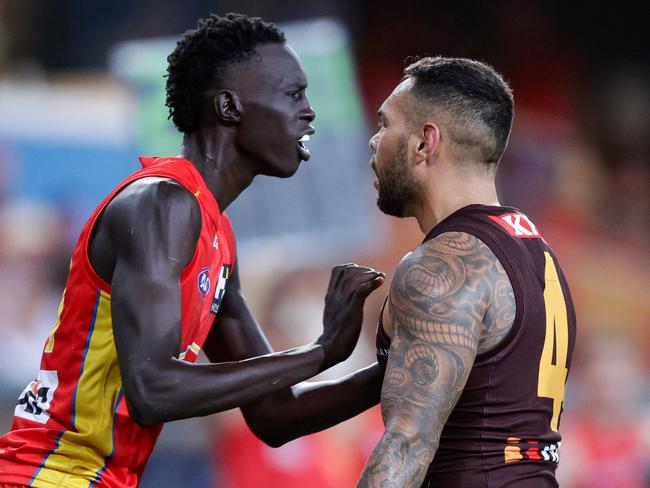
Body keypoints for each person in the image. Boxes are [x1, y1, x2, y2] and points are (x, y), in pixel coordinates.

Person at [0, 13, 385, 488]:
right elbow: (153, 388)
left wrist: (391, 370)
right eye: (292, 94)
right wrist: (319, 353)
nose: (309, 111)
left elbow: (274, 414)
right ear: (229, 107)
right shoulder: (161, 204)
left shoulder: (215, 232)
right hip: (48, 476)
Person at [356, 57, 577, 487]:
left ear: (425, 142)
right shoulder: (534, 250)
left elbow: (406, 446)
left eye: (385, 125)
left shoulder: (444, 265)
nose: (373, 141)